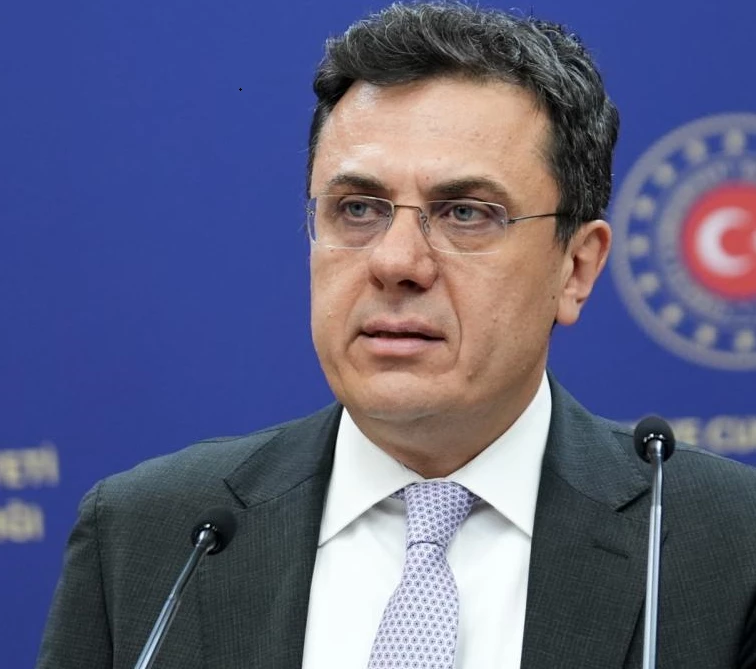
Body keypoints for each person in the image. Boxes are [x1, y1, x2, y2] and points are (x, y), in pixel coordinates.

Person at [37, 3, 756, 668]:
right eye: (357, 208)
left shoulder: (726, 546)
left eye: (466, 213)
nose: (396, 262)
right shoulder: (146, 535)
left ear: (576, 267)